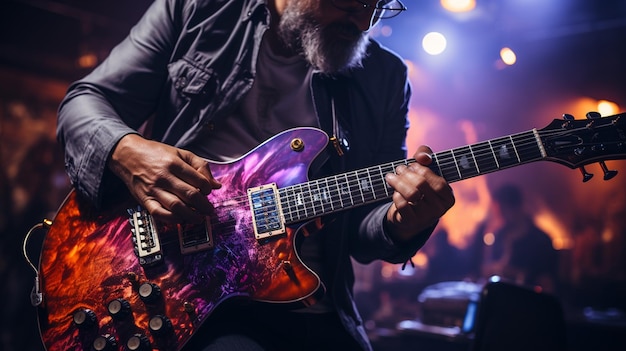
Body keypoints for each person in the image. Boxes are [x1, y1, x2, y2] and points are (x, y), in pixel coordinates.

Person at [56, 0, 455, 350]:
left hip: (312, 302)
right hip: (189, 290)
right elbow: (86, 102)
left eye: (376, 3)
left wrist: (403, 222)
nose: (362, 19)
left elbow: (362, 231)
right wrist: (127, 150)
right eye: (347, 2)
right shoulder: (197, 9)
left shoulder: (385, 77)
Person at [480, 184, 559, 293]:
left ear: (517, 207)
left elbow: (547, 282)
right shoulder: (498, 235)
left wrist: (514, 273)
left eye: (504, 209)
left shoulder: (541, 241)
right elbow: (487, 266)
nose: (500, 214)